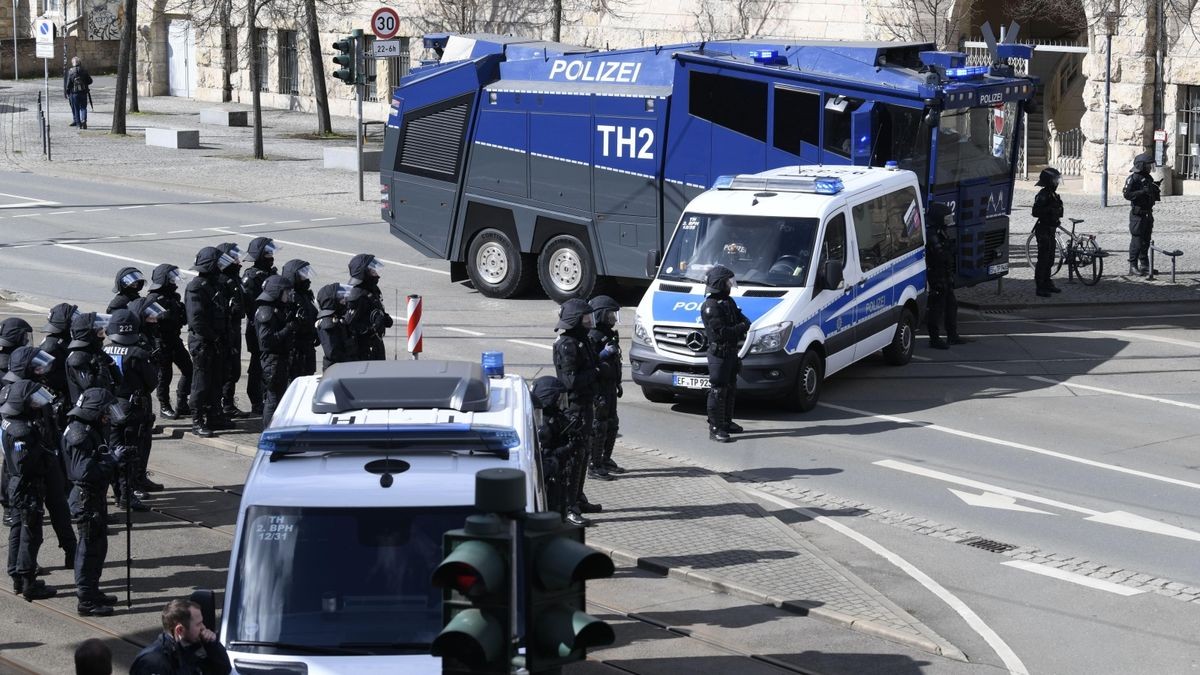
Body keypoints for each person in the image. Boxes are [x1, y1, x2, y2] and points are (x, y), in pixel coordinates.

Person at [4, 345, 78, 570]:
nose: (43, 369)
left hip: (44, 458)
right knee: (27, 523)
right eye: (37, 366)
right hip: (31, 462)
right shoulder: (18, 394)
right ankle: (23, 568)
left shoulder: (29, 388)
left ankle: (71, 552)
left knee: (59, 510)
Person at [62, 388, 124, 616]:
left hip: (94, 497)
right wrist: (112, 462)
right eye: (106, 411)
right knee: (88, 550)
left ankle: (93, 591)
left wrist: (112, 457)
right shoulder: (80, 434)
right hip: (85, 499)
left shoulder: (88, 429)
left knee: (99, 546)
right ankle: (86, 600)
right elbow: (83, 472)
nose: (109, 415)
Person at [2, 379, 59, 600]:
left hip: (15, 483)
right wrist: (44, 452)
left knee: (18, 530)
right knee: (31, 535)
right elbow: (26, 463)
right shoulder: (22, 431)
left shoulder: (11, 421)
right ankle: (28, 582)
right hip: (27, 486)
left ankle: (17, 575)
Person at [103, 309, 158, 510]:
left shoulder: (105, 350)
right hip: (132, 410)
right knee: (131, 452)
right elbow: (151, 382)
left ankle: (117, 492)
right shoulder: (139, 354)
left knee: (112, 450)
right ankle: (128, 494)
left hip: (110, 407)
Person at [553, 298, 600, 526]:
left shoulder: (583, 341)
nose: (590, 322)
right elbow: (570, 381)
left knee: (584, 453)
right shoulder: (567, 344)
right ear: (575, 321)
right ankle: (569, 507)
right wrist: (596, 373)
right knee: (574, 457)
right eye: (586, 319)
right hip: (574, 409)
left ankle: (578, 497)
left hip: (586, 404)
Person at [701, 265, 749, 442]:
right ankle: (715, 428)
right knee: (718, 390)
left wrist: (742, 323)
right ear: (719, 283)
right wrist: (742, 327)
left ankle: (727, 422)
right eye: (728, 282)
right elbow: (723, 332)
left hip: (730, 352)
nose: (730, 285)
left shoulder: (728, 302)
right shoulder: (710, 306)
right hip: (718, 354)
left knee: (730, 388)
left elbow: (740, 317)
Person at [186, 247, 231, 438]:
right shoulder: (196, 286)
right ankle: (197, 421)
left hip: (215, 341)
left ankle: (214, 415)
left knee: (215, 381)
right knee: (201, 383)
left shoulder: (215, 284)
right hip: (203, 342)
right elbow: (197, 320)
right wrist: (213, 336)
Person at [130, 599, 231, 675]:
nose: (203, 627)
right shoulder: (153, 663)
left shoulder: (188, 649)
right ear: (180, 630)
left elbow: (223, 670)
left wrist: (212, 645)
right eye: (198, 624)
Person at [587, 295, 625, 480]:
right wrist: (603, 353)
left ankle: (605, 459)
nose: (613, 318)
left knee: (612, 424)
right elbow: (588, 362)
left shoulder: (609, 334)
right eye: (610, 314)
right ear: (601, 314)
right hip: (599, 388)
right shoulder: (592, 336)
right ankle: (594, 465)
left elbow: (616, 361)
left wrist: (618, 383)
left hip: (610, 386)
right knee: (599, 426)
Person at [241, 237, 279, 417]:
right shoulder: (251, 276)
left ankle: (267, 397)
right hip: (257, 325)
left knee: (270, 363)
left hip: (271, 324)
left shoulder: (270, 273)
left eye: (271, 253)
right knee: (258, 365)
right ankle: (256, 401)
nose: (271, 257)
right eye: (267, 254)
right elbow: (249, 304)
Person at [149, 264, 193, 420]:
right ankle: (164, 406)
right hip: (161, 342)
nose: (175, 280)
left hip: (174, 339)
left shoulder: (173, 298)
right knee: (164, 376)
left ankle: (182, 402)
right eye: (172, 278)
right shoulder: (153, 299)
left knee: (189, 370)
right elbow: (149, 323)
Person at [253, 275, 297, 427]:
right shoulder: (267, 312)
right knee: (273, 399)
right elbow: (266, 342)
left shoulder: (277, 309)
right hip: (273, 361)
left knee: (279, 398)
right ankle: (268, 430)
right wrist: (287, 329)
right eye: (285, 292)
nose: (288, 295)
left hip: (279, 360)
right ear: (277, 292)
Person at [530, 375, 575, 517]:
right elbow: (546, 459)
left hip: (558, 479)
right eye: (558, 398)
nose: (561, 403)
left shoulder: (553, 418)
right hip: (551, 483)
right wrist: (567, 448)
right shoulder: (543, 427)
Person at [923, 203, 966, 349]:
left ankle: (952, 335)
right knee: (936, 307)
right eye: (946, 218)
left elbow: (948, 250)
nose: (949, 221)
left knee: (951, 305)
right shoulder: (932, 234)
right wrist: (950, 250)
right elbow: (940, 255)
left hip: (945, 273)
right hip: (936, 274)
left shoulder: (941, 231)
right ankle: (934, 338)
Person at [215, 243, 247, 423]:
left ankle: (228, 403)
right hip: (226, 329)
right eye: (234, 257)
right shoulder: (221, 279)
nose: (238, 260)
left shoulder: (234, 277)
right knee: (225, 368)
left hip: (235, 327)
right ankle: (222, 405)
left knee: (234, 369)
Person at [65, 312, 120, 405]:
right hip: (88, 410)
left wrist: (110, 362)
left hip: (104, 404)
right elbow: (92, 388)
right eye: (100, 334)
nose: (103, 337)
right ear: (89, 335)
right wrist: (101, 364)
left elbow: (118, 379)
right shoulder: (77, 359)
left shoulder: (96, 353)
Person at [346, 253, 393, 360]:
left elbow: (376, 308)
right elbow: (349, 325)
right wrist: (370, 329)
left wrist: (384, 318)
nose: (376, 274)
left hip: (376, 343)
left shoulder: (373, 289)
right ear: (364, 273)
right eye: (372, 271)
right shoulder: (357, 296)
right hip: (364, 349)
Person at [1124, 152, 1161, 277]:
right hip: (1137, 215)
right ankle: (1132, 266)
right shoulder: (1133, 178)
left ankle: (1144, 265)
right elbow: (1127, 195)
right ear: (1141, 166)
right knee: (1137, 241)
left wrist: (1154, 188)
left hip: (1147, 213)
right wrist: (1142, 192)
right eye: (1148, 165)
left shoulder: (1148, 178)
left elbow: (1149, 193)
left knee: (1146, 240)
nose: (1150, 168)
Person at [281, 259, 318, 379]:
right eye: (303, 274)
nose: (306, 277)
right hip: (295, 349)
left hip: (307, 347)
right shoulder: (290, 297)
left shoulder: (305, 294)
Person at [1031, 167, 1064, 297]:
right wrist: (1049, 210)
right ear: (1049, 181)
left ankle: (1047, 281)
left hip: (1051, 229)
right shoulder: (1043, 194)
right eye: (1055, 180)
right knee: (1043, 259)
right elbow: (1035, 212)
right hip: (1043, 229)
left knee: (1050, 258)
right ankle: (1040, 286)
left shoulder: (1053, 194)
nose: (1057, 182)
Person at [316, 282, 356, 370]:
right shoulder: (328, 323)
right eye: (341, 298)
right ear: (332, 301)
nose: (344, 301)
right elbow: (332, 353)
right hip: (336, 368)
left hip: (341, 366)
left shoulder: (337, 318)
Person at [64, 57, 93, 130]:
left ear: (73, 63)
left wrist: (67, 92)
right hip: (83, 92)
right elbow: (90, 81)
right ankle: (84, 120)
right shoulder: (84, 70)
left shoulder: (71, 71)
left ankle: (78, 124)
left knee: (76, 108)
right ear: (80, 63)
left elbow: (68, 84)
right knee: (83, 107)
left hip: (74, 93)